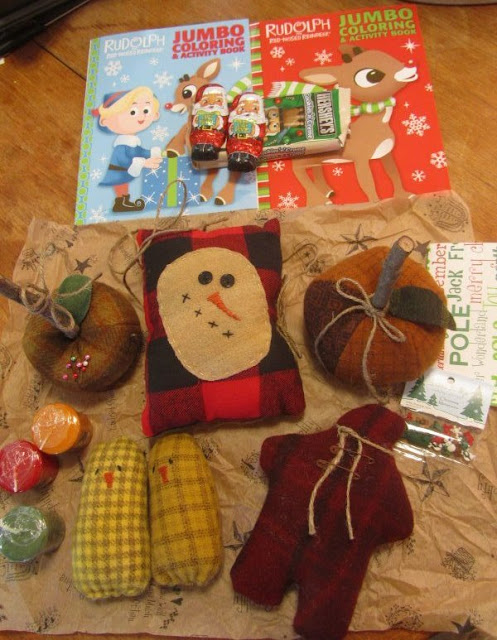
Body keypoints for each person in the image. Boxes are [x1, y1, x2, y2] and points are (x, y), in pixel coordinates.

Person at [93, 86, 163, 212]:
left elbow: (140, 152)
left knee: (124, 185)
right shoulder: (121, 145)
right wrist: (142, 163)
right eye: (133, 112)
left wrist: (152, 153)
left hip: (125, 171)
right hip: (118, 170)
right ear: (106, 121)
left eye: (146, 110)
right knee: (121, 185)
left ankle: (123, 202)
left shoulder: (133, 141)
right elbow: (123, 159)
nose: (141, 117)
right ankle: (120, 203)